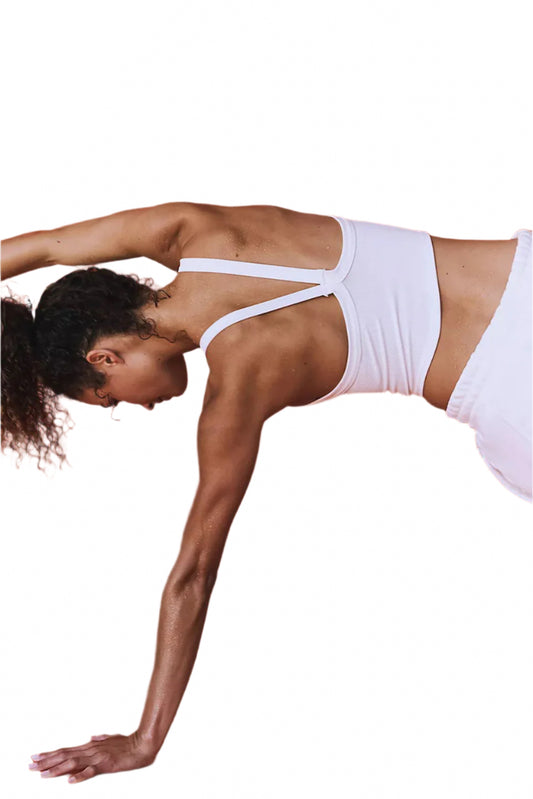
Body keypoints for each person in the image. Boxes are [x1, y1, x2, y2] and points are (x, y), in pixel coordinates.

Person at [1, 201, 531, 784]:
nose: (137, 406)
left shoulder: (239, 377)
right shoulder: (193, 229)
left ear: (103, 359)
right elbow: (48, 245)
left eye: (108, 398)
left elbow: (193, 573)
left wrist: (144, 739)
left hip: (513, 388)